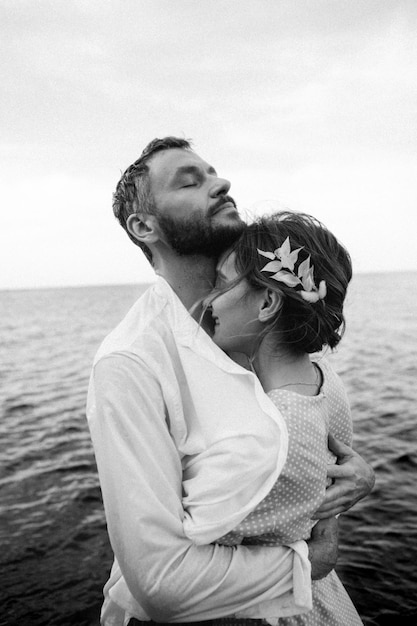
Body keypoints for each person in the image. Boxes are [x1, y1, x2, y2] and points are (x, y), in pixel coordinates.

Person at [86, 137, 374, 626]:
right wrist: (311, 559)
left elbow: (308, 432)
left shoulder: (263, 325)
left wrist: (350, 480)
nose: (222, 184)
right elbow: (161, 583)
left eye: (214, 173)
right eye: (189, 181)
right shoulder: (130, 363)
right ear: (143, 226)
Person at [183, 211, 363, 624]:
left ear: (268, 302)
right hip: (320, 599)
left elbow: (190, 551)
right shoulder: (322, 377)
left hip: (270, 610)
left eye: (223, 284)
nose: (208, 300)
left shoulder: (268, 430)